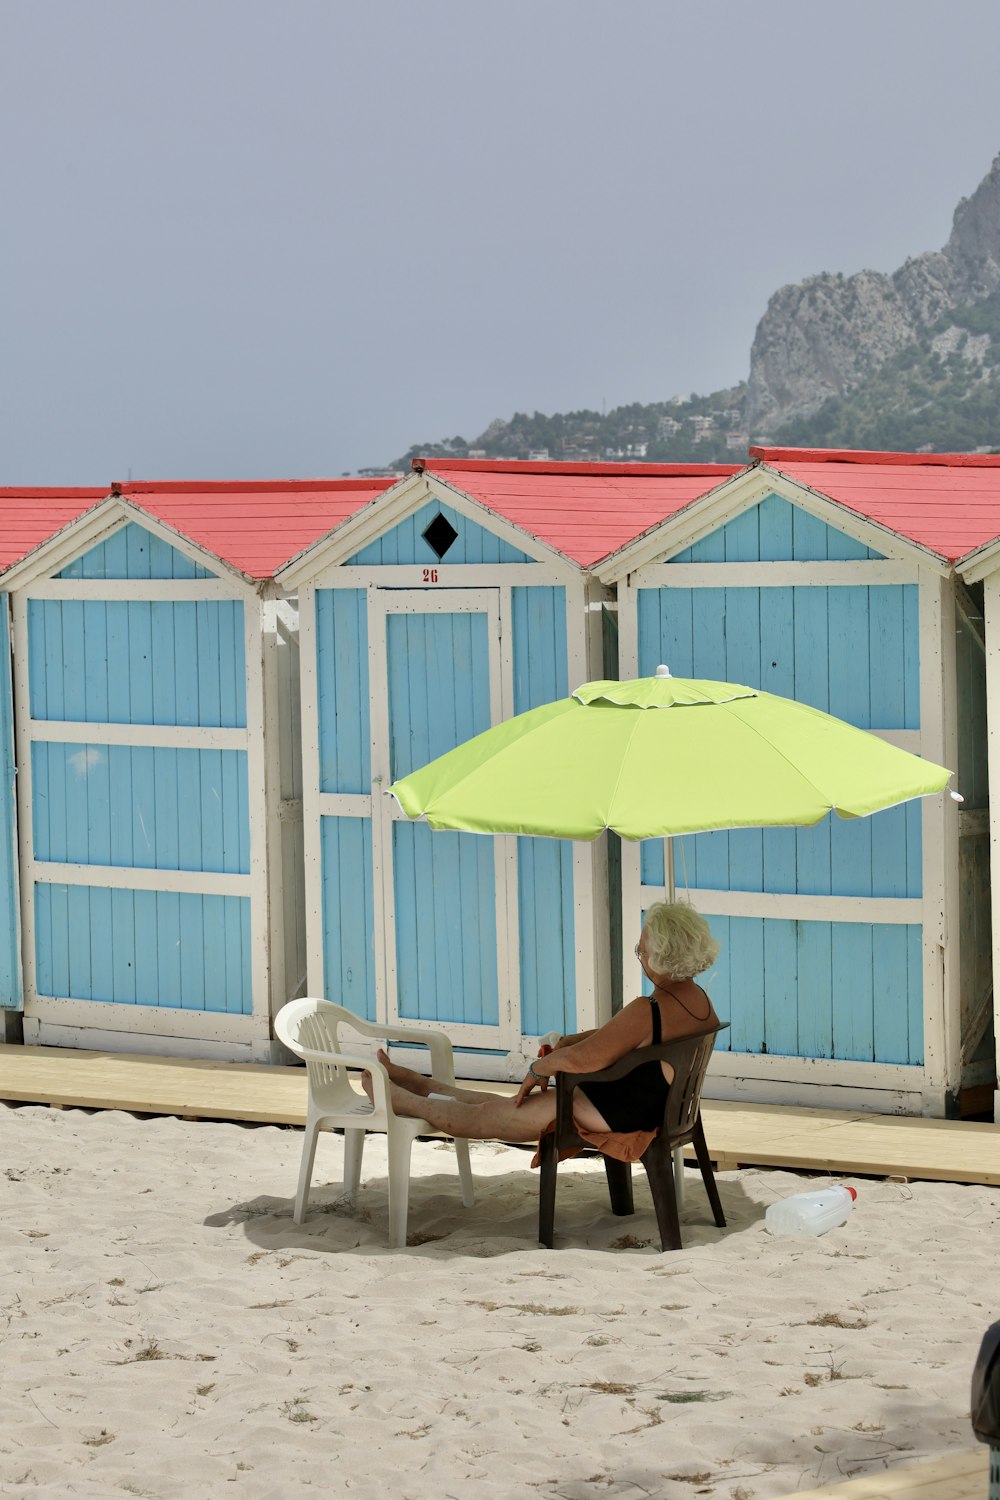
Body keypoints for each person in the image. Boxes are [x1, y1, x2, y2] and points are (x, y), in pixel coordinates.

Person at [362, 900, 721, 1163]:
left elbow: (585, 1058)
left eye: (641, 949)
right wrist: (566, 1045)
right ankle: (418, 1083)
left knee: (486, 1117)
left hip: (611, 1112)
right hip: (646, 1108)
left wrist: (539, 1069)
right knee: (499, 1105)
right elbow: (617, 1037)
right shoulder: (698, 1003)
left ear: (661, 956)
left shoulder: (648, 1009)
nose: (639, 954)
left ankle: (400, 1098)